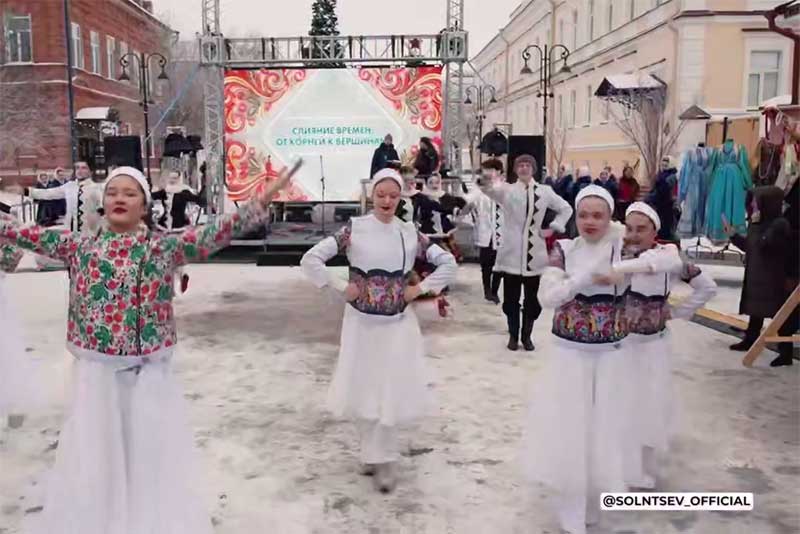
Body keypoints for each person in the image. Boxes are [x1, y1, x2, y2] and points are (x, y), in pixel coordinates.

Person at [0, 164, 296, 534]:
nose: (119, 199)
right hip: (97, 377)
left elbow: (213, 234)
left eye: (130, 193)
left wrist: (258, 203)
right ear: (103, 203)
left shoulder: (162, 248)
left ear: (144, 205)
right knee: (98, 453)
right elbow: (23, 233)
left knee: (146, 454)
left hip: (148, 376)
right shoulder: (79, 246)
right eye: (112, 193)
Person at [300, 168, 457, 493]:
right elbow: (311, 259)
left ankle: (384, 457)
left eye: (393, 195)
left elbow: (448, 262)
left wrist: (420, 289)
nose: (387, 201)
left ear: (401, 198)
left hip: (397, 326)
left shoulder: (409, 232)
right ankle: (370, 451)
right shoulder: (354, 229)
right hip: (361, 324)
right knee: (364, 386)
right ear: (371, 196)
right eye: (381, 195)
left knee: (390, 387)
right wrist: (340, 286)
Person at [523, 185, 630, 534]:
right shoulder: (564, 250)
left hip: (611, 356)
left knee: (603, 431)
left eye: (598, 215)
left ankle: (593, 502)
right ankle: (571, 508)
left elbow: (670, 259)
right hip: (570, 356)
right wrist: (584, 277)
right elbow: (548, 297)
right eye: (583, 215)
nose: (590, 222)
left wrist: (626, 265)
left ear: (610, 217)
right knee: (571, 430)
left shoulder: (623, 249)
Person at [617, 202, 717, 489]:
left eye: (641, 229)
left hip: (653, 348)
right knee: (619, 405)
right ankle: (618, 464)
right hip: (618, 347)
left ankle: (641, 465)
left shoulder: (669, 259)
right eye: (629, 228)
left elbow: (707, 287)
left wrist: (679, 311)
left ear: (654, 231)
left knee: (648, 406)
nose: (634, 235)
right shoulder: (616, 256)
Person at [478, 154, 573, 351]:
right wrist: (488, 171)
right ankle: (513, 335)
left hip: (535, 255)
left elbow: (566, 209)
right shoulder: (506, 190)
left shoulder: (545, 191)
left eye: (527, 165)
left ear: (533, 169)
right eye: (520, 165)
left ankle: (526, 335)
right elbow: (486, 188)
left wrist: (553, 227)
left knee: (533, 301)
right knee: (510, 301)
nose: (523, 168)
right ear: (515, 169)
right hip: (511, 254)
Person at [726, 186, 793, 366]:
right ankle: (750, 339)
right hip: (757, 275)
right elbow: (750, 246)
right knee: (756, 310)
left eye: (757, 203)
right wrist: (733, 235)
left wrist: (761, 230)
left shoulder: (779, 225)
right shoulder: (758, 224)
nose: (754, 206)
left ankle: (785, 353)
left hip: (773, 277)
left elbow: (765, 245)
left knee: (780, 315)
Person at [463, 158, 505, 303]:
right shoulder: (479, 189)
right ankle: (487, 290)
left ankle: (494, 290)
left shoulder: (504, 188)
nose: (487, 173)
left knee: (499, 264)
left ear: (498, 172)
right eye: (485, 170)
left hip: (501, 231)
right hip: (485, 230)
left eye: (490, 169)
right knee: (486, 263)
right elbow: (469, 201)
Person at [27, 161, 106, 235]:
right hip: (71, 233)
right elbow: (48, 193)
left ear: (90, 171)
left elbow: (103, 209)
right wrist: (27, 191)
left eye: (83, 168)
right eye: (77, 168)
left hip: (90, 233)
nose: (80, 170)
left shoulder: (96, 188)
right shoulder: (69, 186)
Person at [647, 157, 679, 241]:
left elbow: (666, 190)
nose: (664, 164)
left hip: (668, 204)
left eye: (666, 162)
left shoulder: (673, 176)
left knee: (666, 224)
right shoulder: (660, 174)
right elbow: (656, 188)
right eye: (663, 162)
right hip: (659, 204)